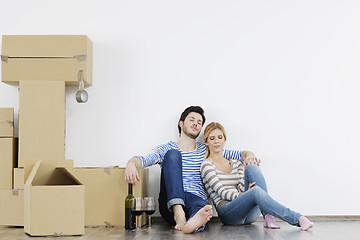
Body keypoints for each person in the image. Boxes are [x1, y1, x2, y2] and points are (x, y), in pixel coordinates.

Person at [124, 106, 258, 233]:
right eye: (192, 120)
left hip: (195, 198)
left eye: (199, 122)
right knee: (172, 155)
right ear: (181, 123)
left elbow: (240, 154)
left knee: (202, 207)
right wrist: (131, 163)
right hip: (170, 205)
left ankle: (192, 224)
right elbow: (143, 160)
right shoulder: (167, 148)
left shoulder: (206, 150)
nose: (196, 124)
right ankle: (179, 214)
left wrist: (249, 155)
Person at [200, 122, 314, 231]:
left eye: (220, 137)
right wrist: (246, 194)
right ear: (206, 142)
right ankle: (298, 218)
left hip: (248, 216)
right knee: (255, 191)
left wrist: (246, 194)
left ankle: (267, 215)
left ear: (225, 139)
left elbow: (241, 187)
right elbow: (222, 193)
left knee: (252, 167)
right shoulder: (206, 165)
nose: (216, 141)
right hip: (228, 214)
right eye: (212, 138)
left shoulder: (235, 163)